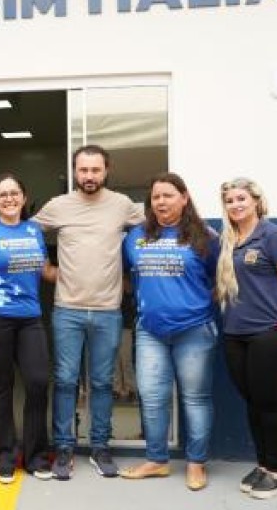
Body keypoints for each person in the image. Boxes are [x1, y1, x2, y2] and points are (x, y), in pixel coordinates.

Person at [32, 144, 144, 480]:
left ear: (106, 170)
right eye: (83, 170)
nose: (89, 176)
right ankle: (64, 448)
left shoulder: (122, 205)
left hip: (108, 310)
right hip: (67, 309)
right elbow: (25, 232)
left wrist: (132, 272)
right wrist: (45, 268)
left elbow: (156, 226)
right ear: (74, 171)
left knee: (102, 383)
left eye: (95, 170)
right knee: (66, 381)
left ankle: (100, 447)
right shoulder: (59, 205)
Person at [118, 172, 219, 491]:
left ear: (184, 198)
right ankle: (157, 460)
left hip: (194, 330)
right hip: (150, 331)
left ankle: (196, 464)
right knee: (152, 398)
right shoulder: (135, 236)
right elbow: (127, 276)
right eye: (155, 197)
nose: (161, 202)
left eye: (168, 195)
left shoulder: (205, 237)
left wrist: (194, 304)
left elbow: (220, 280)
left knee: (195, 399)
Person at [216, 177, 277, 500]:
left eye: (241, 198)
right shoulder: (230, 240)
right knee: (253, 402)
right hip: (235, 334)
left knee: (269, 402)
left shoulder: (273, 235)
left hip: (273, 333)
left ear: (256, 201)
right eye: (229, 201)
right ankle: (263, 464)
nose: (236, 205)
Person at [0, 173, 57, 484]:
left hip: (30, 318)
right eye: (2, 194)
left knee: (38, 382)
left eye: (14, 193)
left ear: (24, 197)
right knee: (0, 388)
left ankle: (36, 457)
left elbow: (45, 270)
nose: (9, 199)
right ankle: (3, 457)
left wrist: (81, 272)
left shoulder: (33, 230)